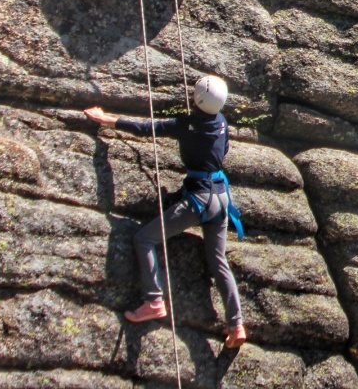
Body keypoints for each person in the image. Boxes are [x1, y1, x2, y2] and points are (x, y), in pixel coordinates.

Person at [84, 75, 248, 349]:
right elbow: (224, 149)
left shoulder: (186, 125)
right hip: (220, 197)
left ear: (197, 99)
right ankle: (237, 324)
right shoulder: (222, 123)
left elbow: (146, 128)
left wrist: (106, 119)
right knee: (219, 261)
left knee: (144, 238)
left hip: (198, 200)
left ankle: (154, 300)